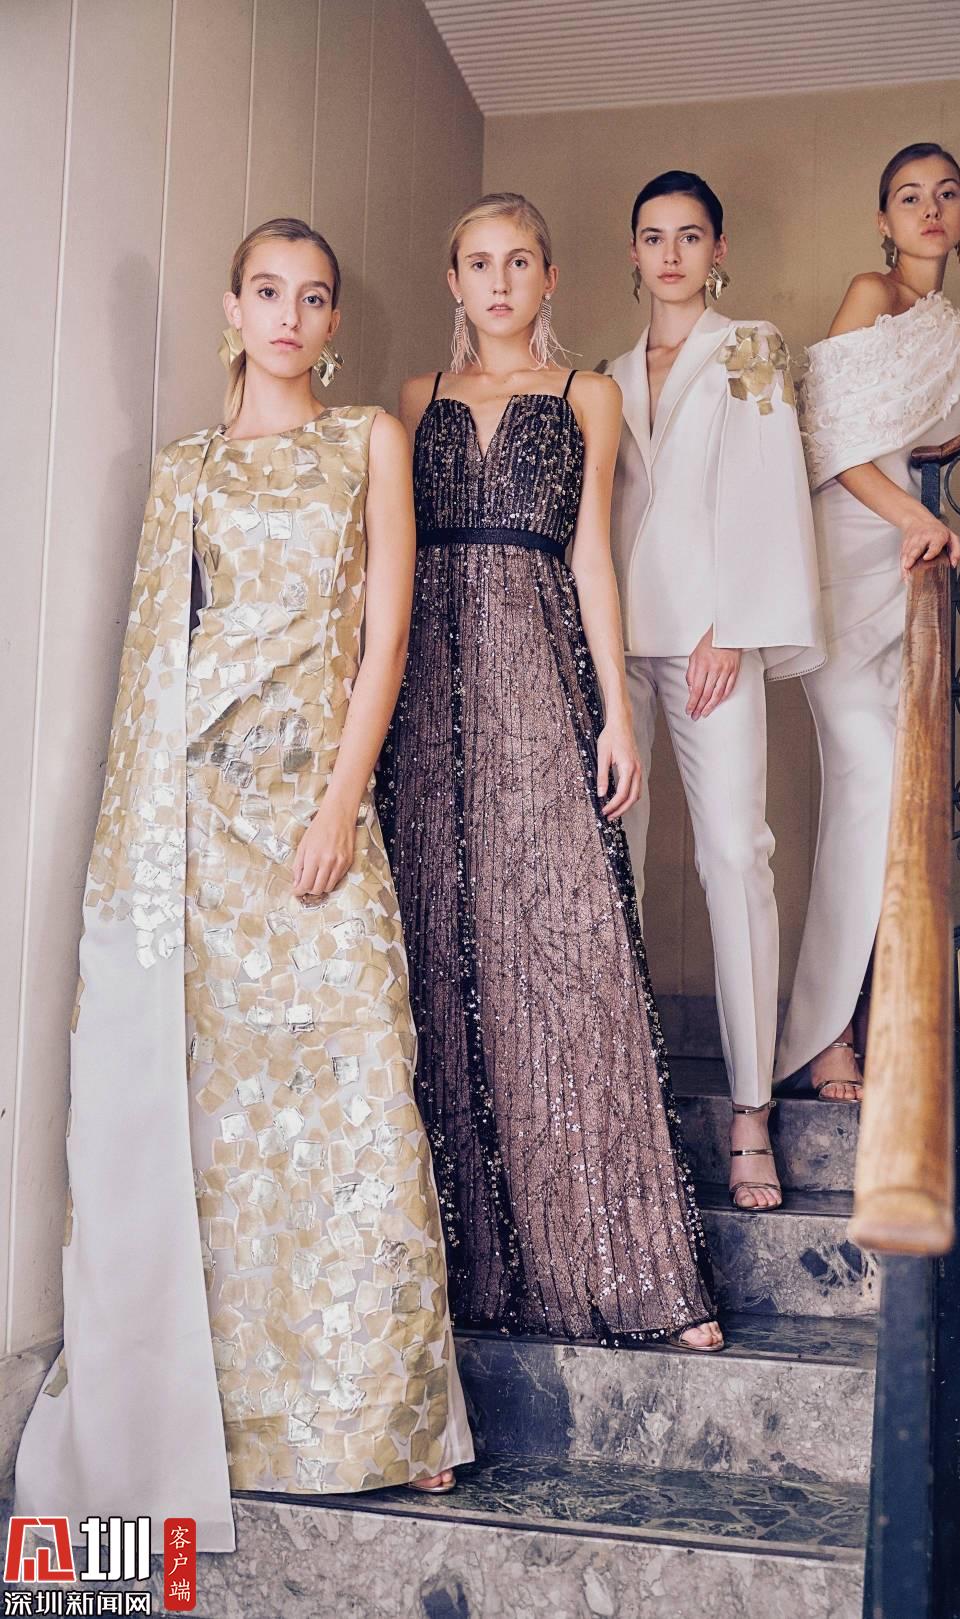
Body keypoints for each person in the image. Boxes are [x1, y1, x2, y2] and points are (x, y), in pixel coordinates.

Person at [16, 217, 473, 1553]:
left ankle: (388, 1415)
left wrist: (338, 803)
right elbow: (156, 664)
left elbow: (388, 634)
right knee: (225, 1137)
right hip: (199, 832)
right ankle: (228, 1422)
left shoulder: (368, 441)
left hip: (315, 818)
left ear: (333, 322)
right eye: (267, 292)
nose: (289, 315)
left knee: (360, 1088)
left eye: (313, 297)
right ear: (233, 308)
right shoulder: (184, 470)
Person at [378, 192, 722, 1350]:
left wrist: (617, 715)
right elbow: (388, 564)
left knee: (572, 955)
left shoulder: (589, 396)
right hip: (427, 698)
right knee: (439, 953)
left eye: (519, 261)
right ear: (454, 279)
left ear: (551, 275)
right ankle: (464, 1268)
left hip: (541, 679)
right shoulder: (414, 400)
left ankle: (635, 1272)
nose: (499, 282)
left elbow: (592, 559)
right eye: (479, 263)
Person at [777, 144, 960, 1096]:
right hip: (850, 567)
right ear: (884, 220)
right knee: (869, 787)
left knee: (896, 807)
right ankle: (823, 1034)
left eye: (948, 193)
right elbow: (829, 439)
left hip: (917, 582)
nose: (932, 208)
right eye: (910, 196)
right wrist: (914, 515)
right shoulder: (871, 293)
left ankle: (870, 1017)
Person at [606, 170, 823, 1210]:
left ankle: (750, 1110)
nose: (672, 254)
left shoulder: (751, 347)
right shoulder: (603, 375)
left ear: (717, 248)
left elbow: (771, 490)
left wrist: (732, 625)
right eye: (654, 236)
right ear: (633, 252)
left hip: (710, 641)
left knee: (736, 854)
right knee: (614, 860)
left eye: (690, 235)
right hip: (615, 648)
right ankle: (618, 1096)